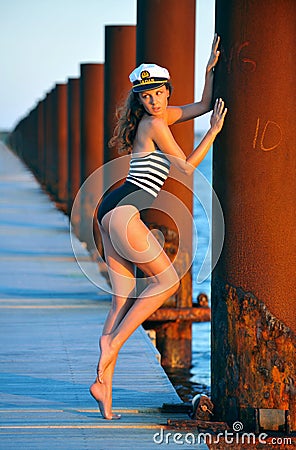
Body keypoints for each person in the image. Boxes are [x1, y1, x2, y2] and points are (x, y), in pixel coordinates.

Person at [90, 34, 227, 419]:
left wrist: (208, 73)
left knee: (121, 300)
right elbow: (184, 167)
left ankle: (105, 392)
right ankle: (113, 343)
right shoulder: (154, 122)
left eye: (157, 93)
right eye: (145, 96)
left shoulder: (161, 116)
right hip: (124, 211)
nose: (153, 101)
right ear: (140, 100)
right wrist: (214, 133)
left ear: (167, 90)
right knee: (166, 281)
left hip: (110, 209)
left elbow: (200, 106)